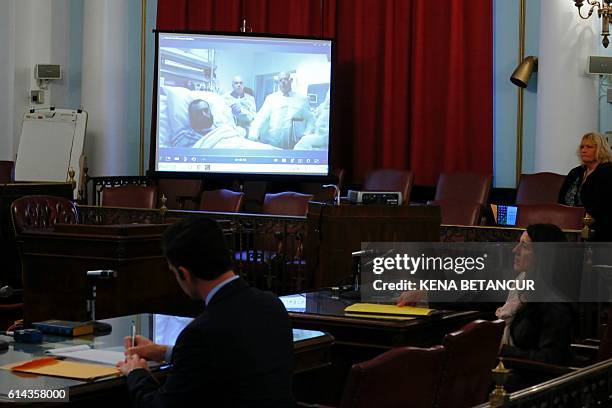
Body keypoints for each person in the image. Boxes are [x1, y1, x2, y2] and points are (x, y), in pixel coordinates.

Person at [116, 217, 295, 407]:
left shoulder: (200, 333)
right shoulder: (272, 305)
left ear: (184, 273)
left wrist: (137, 373)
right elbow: (229, 357)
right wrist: (164, 352)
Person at [498, 224, 574, 365]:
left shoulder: (555, 305)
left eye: (524, 246)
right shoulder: (522, 287)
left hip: (535, 381)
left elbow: (550, 360)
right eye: (518, 244)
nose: (515, 250)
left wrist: (503, 350)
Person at [558, 131, 612, 241]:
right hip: (569, 223)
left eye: (589, 147)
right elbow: (561, 198)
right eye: (582, 147)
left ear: (600, 150)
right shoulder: (576, 172)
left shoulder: (607, 171)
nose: (584, 150)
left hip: (598, 226)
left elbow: (605, 202)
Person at [171, 99, 278, 150]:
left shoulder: (223, 129)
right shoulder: (185, 136)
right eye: (198, 113)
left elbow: (241, 134)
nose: (204, 114)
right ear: (192, 117)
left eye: (206, 110)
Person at [250, 72, 314, 149]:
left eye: (285, 79)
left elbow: (311, 119)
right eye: (280, 80)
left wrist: (306, 136)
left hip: (294, 145)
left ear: (291, 80)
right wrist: (253, 136)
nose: (283, 82)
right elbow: (261, 117)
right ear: (278, 82)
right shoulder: (271, 98)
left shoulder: (302, 99)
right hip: (273, 143)